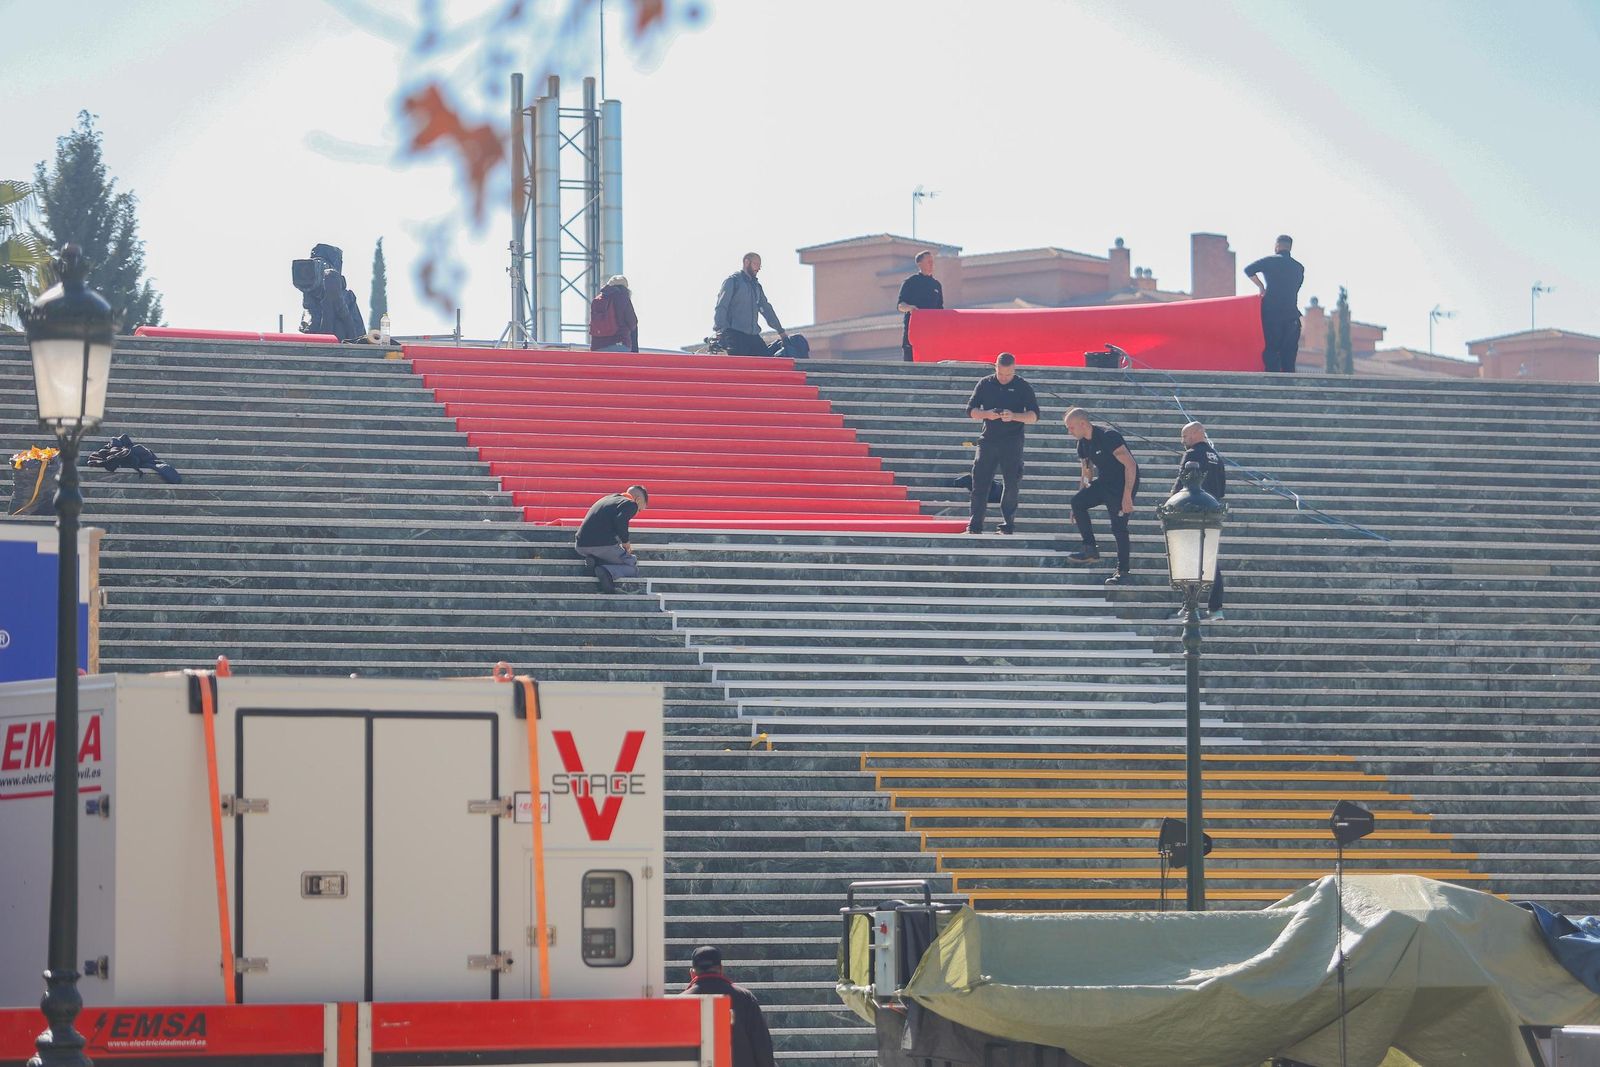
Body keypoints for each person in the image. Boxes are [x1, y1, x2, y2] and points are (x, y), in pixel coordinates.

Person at [964, 352, 1039, 535]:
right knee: (980, 483)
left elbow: (1034, 416)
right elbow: (970, 410)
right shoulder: (985, 383)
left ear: (1014, 369)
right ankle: (974, 526)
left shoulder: (1022, 386)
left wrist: (1014, 416)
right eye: (1001, 373)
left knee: (1011, 483)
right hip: (988, 440)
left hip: (1012, 442)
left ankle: (1007, 525)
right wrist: (987, 414)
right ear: (995, 368)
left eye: (1008, 374)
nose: (1004, 378)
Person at [1063, 408, 1139, 585]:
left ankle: (1123, 572)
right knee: (1078, 502)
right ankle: (1090, 549)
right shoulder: (1083, 444)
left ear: (1083, 423)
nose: (1069, 432)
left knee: (1118, 528)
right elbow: (1086, 472)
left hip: (1122, 485)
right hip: (1104, 483)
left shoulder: (1108, 436)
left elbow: (1131, 465)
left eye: (1071, 427)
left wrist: (1127, 496)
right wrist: (1079, 503)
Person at [679, 945, 776, 1067]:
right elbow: (762, 1046)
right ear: (721, 969)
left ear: (692, 973)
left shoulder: (680, 1002)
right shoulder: (745, 998)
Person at [1172, 421, 1226, 619]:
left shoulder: (1192, 454)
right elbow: (1221, 488)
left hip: (1191, 512)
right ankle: (1216, 608)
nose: (1182, 441)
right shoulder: (1216, 457)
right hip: (1211, 512)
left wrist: (1171, 504)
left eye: (1185, 436)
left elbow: (1181, 482)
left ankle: (1190, 605)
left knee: (1188, 558)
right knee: (1210, 559)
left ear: (1195, 434)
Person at [1244, 234, 1305, 373]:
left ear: (1277, 246)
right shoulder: (1299, 267)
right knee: (1289, 356)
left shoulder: (1269, 261)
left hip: (1271, 314)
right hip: (1292, 317)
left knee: (1271, 351)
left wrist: (1261, 286)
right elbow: (1297, 287)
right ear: (1290, 247)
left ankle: (1273, 387)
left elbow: (1248, 270)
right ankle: (1289, 389)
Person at [574, 485, 649, 593]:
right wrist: (626, 542)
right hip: (601, 545)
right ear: (638, 500)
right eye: (640, 510)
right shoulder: (631, 504)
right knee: (631, 564)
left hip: (580, 546)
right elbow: (621, 521)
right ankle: (605, 571)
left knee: (611, 555)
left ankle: (596, 561)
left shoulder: (608, 499)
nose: (637, 513)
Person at [713, 252, 789, 356]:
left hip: (753, 336)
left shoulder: (757, 287)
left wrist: (781, 331)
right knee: (741, 368)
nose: (758, 268)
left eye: (760, 265)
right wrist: (720, 331)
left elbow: (767, 310)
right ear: (746, 262)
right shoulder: (733, 281)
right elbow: (721, 306)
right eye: (756, 264)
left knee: (766, 362)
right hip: (735, 335)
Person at [896, 249, 944, 362]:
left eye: (932, 261)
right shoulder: (910, 282)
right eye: (928, 262)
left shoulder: (937, 285)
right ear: (919, 263)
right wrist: (910, 308)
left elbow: (940, 310)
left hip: (932, 334)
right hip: (913, 333)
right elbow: (900, 305)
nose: (932, 264)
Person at [589, 275, 639, 352]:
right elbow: (632, 322)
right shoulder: (623, 297)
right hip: (619, 344)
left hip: (597, 346)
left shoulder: (597, 300)